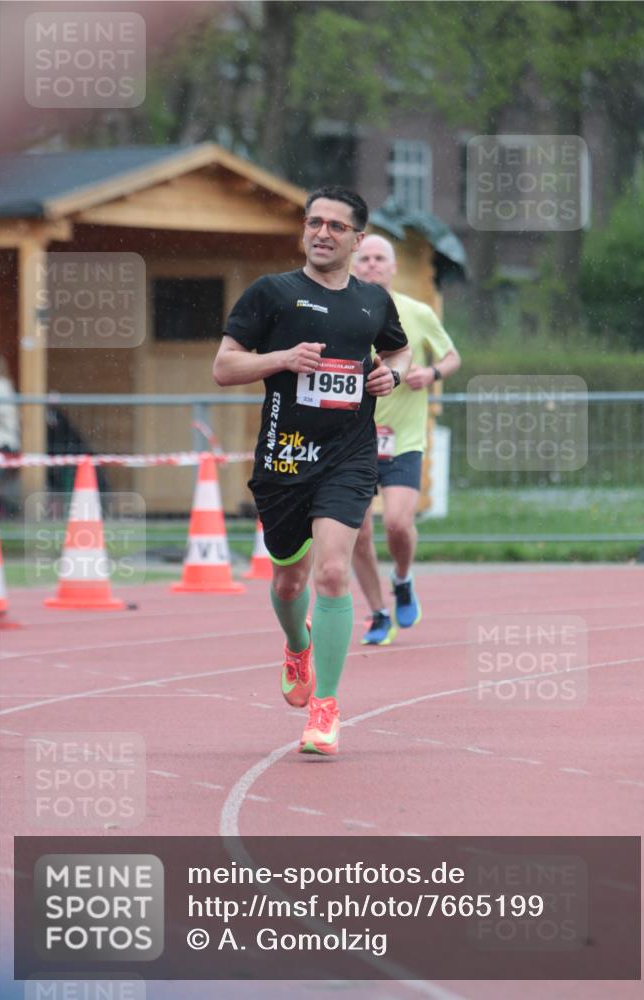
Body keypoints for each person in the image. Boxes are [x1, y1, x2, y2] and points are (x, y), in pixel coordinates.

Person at [213, 187, 411, 756]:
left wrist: (391, 377)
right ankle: (297, 646)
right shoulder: (272, 293)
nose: (322, 233)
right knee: (288, 580)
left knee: (330, 574)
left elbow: (398, 353)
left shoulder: (374, 301)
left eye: (335, 226)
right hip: (284, 458)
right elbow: (224, 367)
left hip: (349, 457)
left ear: (356, 238)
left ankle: (325, 708)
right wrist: (281, 358)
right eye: (313, 223)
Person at [351, 234, 461, 645]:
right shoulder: (342, 313)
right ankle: (379, 613)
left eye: (381, 258)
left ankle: (402, 578)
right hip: (353, 441)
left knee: (397, 523)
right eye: (365, 258)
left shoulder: (417, 312)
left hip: (403, 437)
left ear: (393, 267)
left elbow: (451, 356)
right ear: (353, 265)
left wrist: (430, 374)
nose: (372, 265)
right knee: (357, 533)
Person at [0, 353, 21, 517]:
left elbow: (5, 412)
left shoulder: (0, 385)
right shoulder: (4, 384)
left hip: (1, 443)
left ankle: (4, 511)